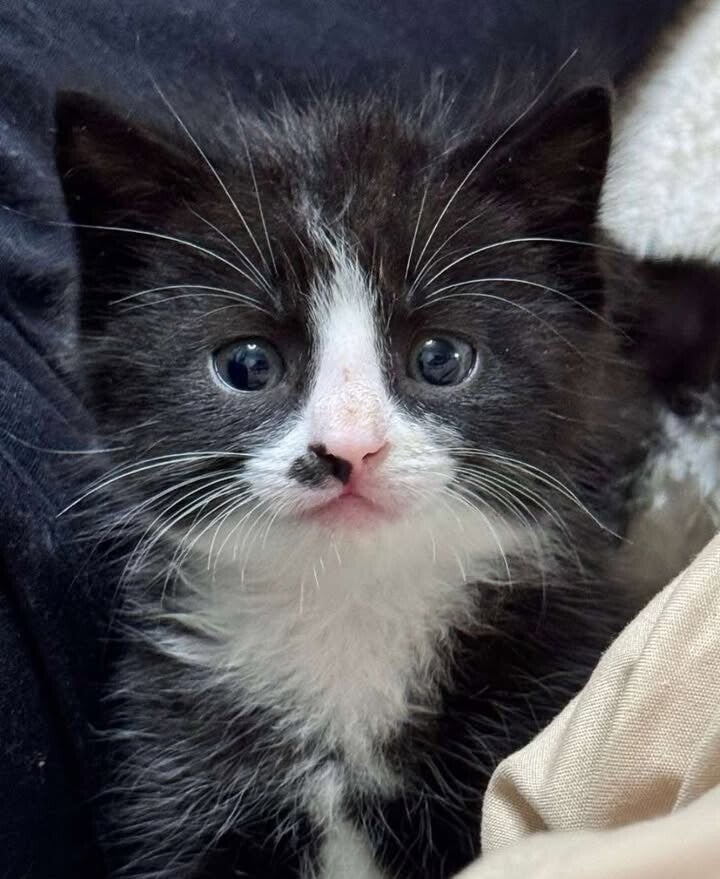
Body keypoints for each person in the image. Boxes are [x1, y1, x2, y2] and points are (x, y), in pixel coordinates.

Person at [0, 1, 690, 875]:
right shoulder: (175, 728)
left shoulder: (590, 695)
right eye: (249, 365)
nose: (348, 438)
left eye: (438, 360)